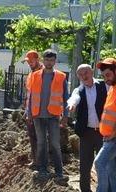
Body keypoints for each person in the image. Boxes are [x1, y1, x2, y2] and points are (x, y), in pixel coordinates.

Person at [84, 57, 116, 192]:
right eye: (103, 76)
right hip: (111, 135)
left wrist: (114, 133)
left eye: (108, 75)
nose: (106, 78)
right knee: (111, 168)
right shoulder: (114, 87)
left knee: (100, 163)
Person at [26, 49, 69, 184]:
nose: (49, 62)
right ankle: (42, 169)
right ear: (43, 61)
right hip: (38, 114)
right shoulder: (35, 75)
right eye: (47, 60)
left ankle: (59, 171)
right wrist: (29, 113)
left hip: (53, 115)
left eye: (52, 60)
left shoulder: (61, 77)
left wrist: (66, 116)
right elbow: (31, 95)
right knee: (41, 142)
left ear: (55, 61)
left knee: (55, 143)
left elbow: (65, 97)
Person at [67, 64, 106, 192]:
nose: (84, 75)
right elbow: (74, 98)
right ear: (78, 77)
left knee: (103, 164)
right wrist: (72, 105)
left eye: (86, 72)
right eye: (81, 74)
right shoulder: (79, 90)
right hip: (86, 132)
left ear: (92, 72)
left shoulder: (103, 86)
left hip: (103, 132)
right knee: (85, 164)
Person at [23, 50, 43, 167]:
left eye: (31, 61)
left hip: (40, 111)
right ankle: (35, 160)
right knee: (32, 137)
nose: (29, 63)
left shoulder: (43, 73)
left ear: (37, 59)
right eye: (28, 61)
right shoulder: (31, 74)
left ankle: (41, 162)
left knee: (40, 138)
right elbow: (29, 94)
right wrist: (27, 110)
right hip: (31, 110)